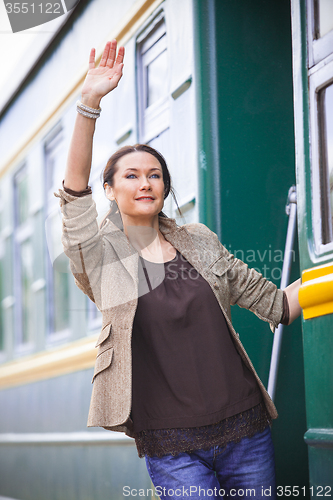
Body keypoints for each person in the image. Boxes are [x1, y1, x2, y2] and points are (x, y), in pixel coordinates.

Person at [55, 40, 302, 500]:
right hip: (172, 447)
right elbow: (72, 199)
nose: (145, 182)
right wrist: (89, 104)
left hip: (246, 431)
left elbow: (276, 304)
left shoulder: (199, 240)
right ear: (109, 190)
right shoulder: (103, 257)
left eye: (155, 174)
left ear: (165, 187)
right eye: (130, 175)